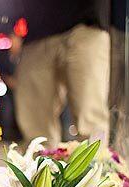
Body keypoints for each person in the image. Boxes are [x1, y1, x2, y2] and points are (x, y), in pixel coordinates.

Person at [12, 0, 111, 145]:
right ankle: (40, 166)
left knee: (90, 117)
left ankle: (97, 165)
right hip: (36, 29)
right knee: (35, 129)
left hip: (87, 23)